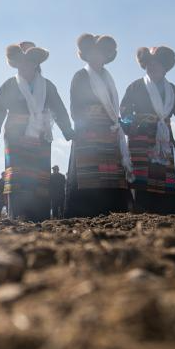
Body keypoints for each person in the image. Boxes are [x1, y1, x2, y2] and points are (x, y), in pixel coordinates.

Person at [0, 42, 73, 222]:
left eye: (29, 61)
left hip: (41, 135)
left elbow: (58, 108)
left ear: (37, 63)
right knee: (17, 174)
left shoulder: (47, 86)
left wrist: (67, 129)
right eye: (21, 61)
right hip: (14, 135)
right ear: (15, 63)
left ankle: (40, 214)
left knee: (40, 175)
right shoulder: (9, 85)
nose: (25, 65)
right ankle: (17, 213)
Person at [120, 46, 175, 215]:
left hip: (162, 139)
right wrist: (132, 123)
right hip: (141, 138)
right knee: (141, 178)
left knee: (164, 179)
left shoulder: (172, 90)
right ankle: (140, 213)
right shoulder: (135, 86)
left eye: (157, 63)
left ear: (165, 67)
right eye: (149, 63)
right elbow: (125, 110)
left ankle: (167, 213)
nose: (152, 67)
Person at [65, 34, 132, 218]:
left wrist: (116, 120)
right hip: (87, 130)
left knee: (110, 173)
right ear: (85, 55)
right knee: (88, 173)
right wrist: (83, 123)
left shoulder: (109, 79)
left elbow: (112, 106)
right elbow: (75, 105)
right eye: (92, 54)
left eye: (100, 54)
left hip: (109, 130)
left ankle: (113, 210)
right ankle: (85, 212)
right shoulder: (80, 76)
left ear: (106, 56)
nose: (96, 57)